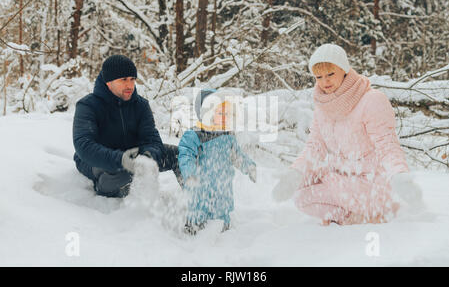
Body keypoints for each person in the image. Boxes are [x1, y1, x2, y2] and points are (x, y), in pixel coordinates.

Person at [272, 43, 422, 225]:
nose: (325, 81)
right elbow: (315, 146)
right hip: (342, 177)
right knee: (301, 190)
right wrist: (295, 174)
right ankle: (351, 216)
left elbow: (386, 144)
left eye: (330, 74)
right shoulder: (323, 107)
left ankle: (375, 210)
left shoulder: (371, 100)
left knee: (314, 190)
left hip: (371, 184)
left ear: (343, 69)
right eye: (318, 77)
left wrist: (398, 175)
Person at [73, 54, 181, 198]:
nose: (129, 85)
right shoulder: (88, 105)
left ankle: (195, 204)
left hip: (134, 155)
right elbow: (84, 145)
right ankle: (108, 189)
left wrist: (148, 156)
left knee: (182, 155)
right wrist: (120, 160)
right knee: (122, 174)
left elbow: (152, 139)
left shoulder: (141, 105)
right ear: (108, 82)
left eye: (132, 79)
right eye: (123, 80)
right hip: (100, 160)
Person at [178, 89, 257, 234]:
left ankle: (223, 232)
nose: (224, 118)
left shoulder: (228, 135)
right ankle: (193, 229)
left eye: (227, 114)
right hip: (200, 185)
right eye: (220, 113)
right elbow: (185, 155)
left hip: (223, 187)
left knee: (222, 211)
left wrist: (249, 166)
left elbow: (237, 156)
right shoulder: (195, 134)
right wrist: (189, 173)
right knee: (198, 210)